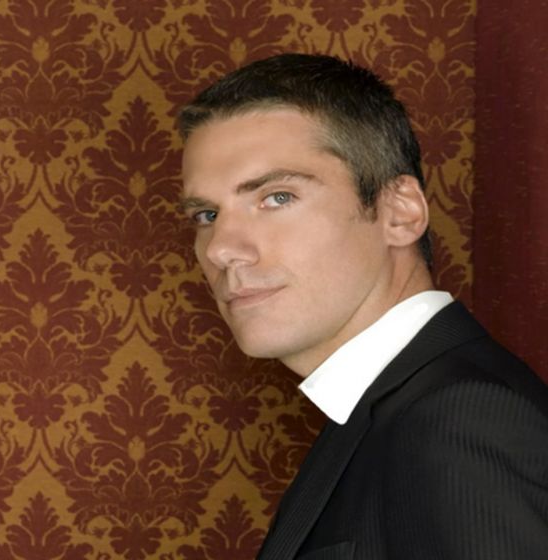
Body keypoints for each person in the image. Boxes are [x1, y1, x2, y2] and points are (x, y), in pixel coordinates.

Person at [177, 53, 548, 559]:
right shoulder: (385, 409)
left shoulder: (460, 419)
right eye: (206, 214)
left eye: (277, 197)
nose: (221, 248)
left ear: (400, 213)